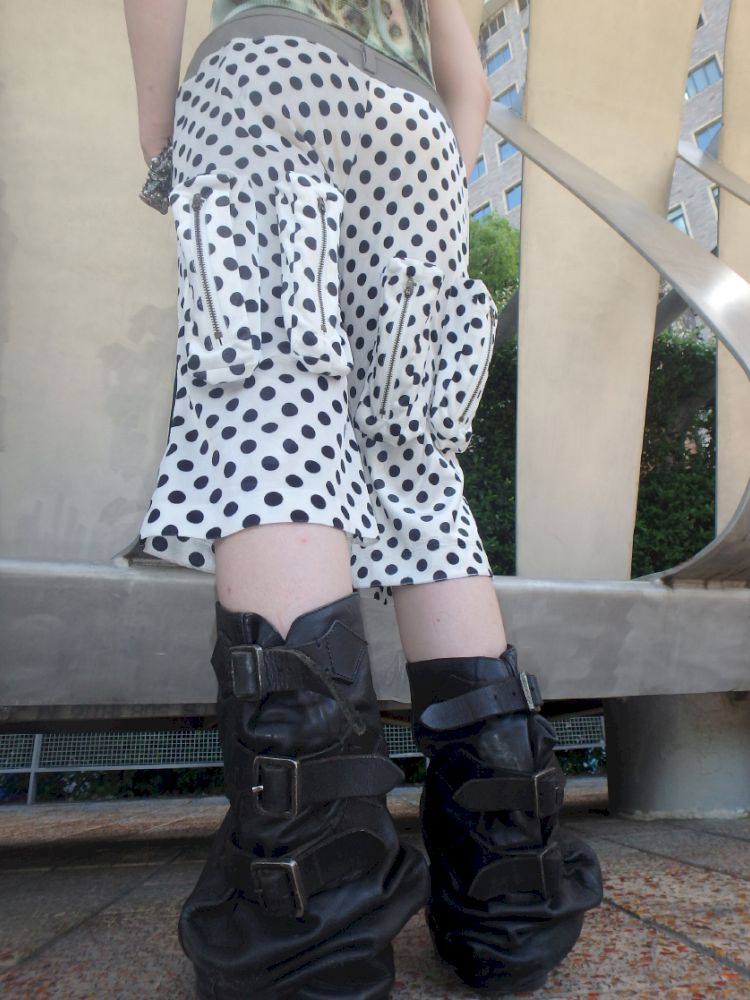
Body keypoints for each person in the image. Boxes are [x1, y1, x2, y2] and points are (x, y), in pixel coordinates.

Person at [124, 1, 603, 996]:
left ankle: (315, 902)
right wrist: (435, 178)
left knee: (272, 415)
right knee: (420, 470)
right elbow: (469, 81)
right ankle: (509, 890)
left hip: (266, 72)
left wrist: (161, 128)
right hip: (417, 127)